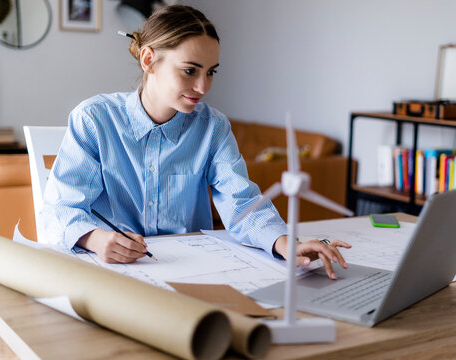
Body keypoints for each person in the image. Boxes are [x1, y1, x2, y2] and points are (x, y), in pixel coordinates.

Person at [41, 5, 350, 279]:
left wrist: (287, 243)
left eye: (211, 72)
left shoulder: (212, 127)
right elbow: (60, 208)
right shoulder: (94, 119)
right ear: (149, 60)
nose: (202, 86)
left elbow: (241, 203)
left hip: (193, 272)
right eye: (190, 70)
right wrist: (94, 239)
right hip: (112, 273)